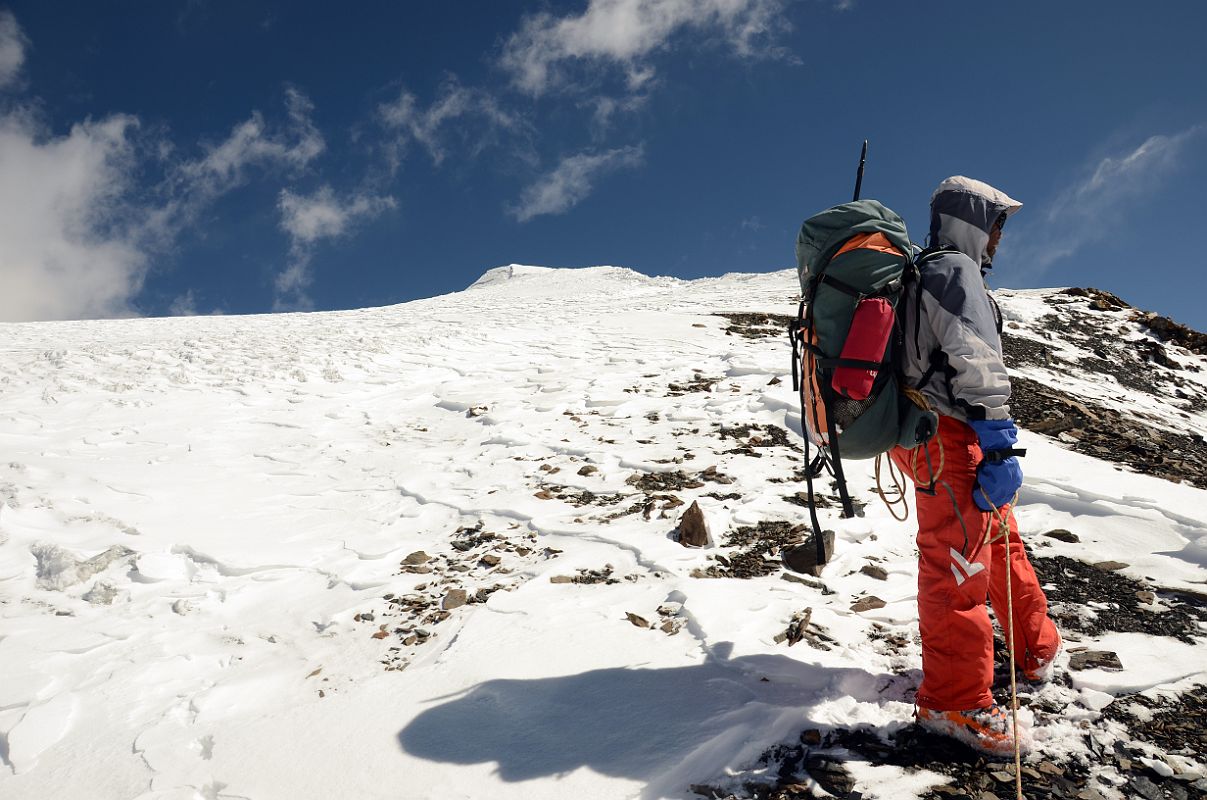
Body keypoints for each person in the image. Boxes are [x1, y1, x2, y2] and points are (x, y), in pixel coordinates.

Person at [890, 176, 1062, 756]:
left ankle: (1035, 649)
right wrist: (996, 439)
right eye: (995, 223)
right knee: (958, 566)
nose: (998, 237)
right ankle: (955, 700)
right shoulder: (952, 273)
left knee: (998, 542)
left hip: (940, 436)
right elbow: (976, 359)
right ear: (969, 221)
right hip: (952, 438)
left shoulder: (930, 271)